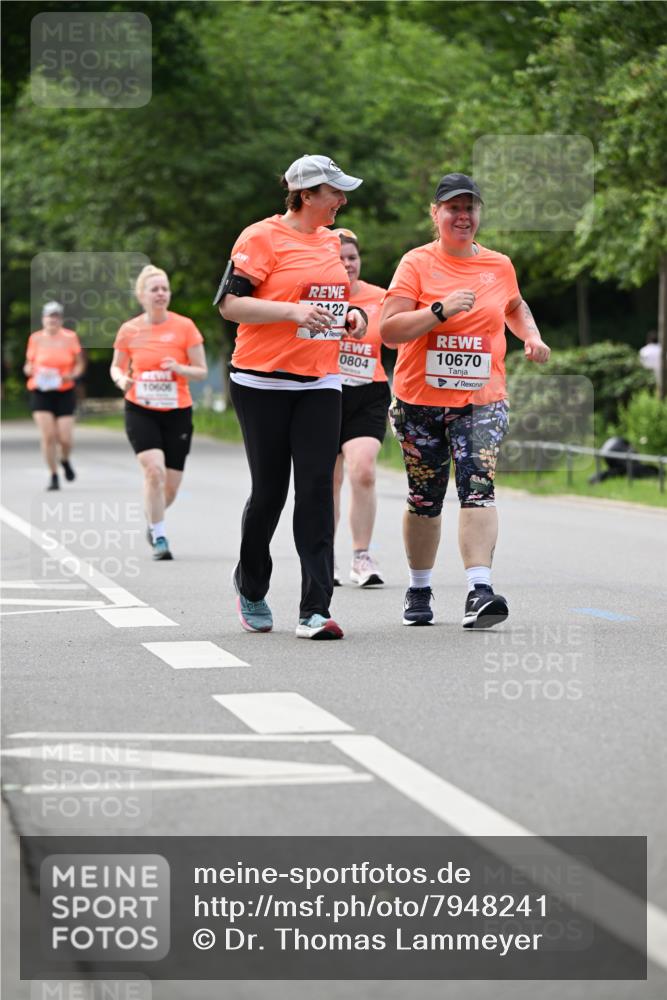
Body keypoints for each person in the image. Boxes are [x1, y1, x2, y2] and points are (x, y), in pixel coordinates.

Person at [381, 173, 551, 629]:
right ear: (435, 214)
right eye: (453, 208)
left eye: (470, 207)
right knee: (425, 497)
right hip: (419, 400)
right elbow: (390, 330)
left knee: (478, 485)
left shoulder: (499, 265)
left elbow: (514, 306)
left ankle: (480, 590)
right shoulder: (416, 264)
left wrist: (531, 337)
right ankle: (419, 588)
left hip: (481, 399)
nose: (463, 216)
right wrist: (438, 311)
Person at [217, 154, 367, 639]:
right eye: (334, 193)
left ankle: (315, 609)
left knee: (318, 491)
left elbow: (330, 300)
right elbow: (230, 304)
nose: (342, 200)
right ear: (306, 195)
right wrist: (291, 312)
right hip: (261, 382)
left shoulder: (331, 242)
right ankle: (252, 585)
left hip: (321, 381)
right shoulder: (259, 237)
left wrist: (349, 318)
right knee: (270, 493)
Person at [110, 265, 208, 560]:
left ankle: (153, 519)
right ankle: (161, 536)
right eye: (154, 289)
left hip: (177, 410)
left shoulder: (185, 327)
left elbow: (202, 371)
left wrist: (180, 369)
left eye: (165, 288)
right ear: (142, 295)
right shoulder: (129, 329)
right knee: (154, 470)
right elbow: (115, 365)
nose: (161, 293)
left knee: (170, 488)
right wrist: (120, 379)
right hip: (140, 408)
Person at [332, 228, 393, 587]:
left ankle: (361, 557)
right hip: (324, 393)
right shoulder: (317, 298)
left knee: (364, 471)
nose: (347, 264)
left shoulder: (380, 297)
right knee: (328, 479)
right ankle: (325, 557)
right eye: (339, 259)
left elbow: (399, 339)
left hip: (369, 391)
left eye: (352, 257)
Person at [24, 301, 84, 491]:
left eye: (56, 316)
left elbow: (79, 364)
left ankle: (64, 460)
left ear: (61, 319)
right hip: (41, 391)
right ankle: (53, 474)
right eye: (50, 316)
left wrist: (72, 374)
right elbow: (28, 365)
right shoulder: (35, 339)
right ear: (43, 319)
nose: (53, 320)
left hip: (64, 390)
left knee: (65, 438)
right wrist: (29, 370)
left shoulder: (70, 337)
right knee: (49, 436)